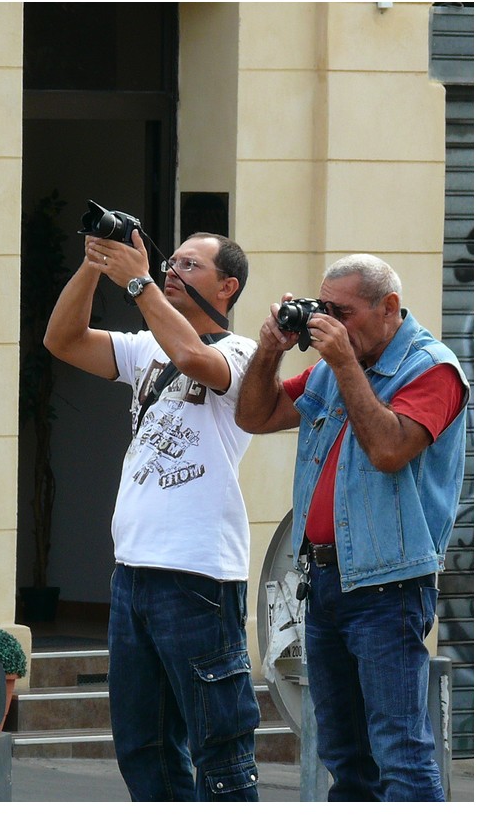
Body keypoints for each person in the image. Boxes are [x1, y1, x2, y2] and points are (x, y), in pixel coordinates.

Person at [235, 254, 469, 802]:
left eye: (344, 312)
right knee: (343, 755)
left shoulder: (432, 369)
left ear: (389, 307)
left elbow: (389, 449)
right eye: (324, 309)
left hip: (388, 588)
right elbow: (256, 415)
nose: (331, 324)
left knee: (400, 753)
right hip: (324, 584)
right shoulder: (331, 366)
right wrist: (270, 346)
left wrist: (342, 363)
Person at [44, 226, 261, 801]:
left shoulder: (241, 354)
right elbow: (63, 340)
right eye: (174, 260)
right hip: (134, 572)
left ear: (227, 287)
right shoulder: (146, 346)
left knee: (220, 748)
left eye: (191, 266)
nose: (173, 269)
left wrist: (137, 280)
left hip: (198, 575)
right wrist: (95, 264)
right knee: (143, 745)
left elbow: (194, 356)